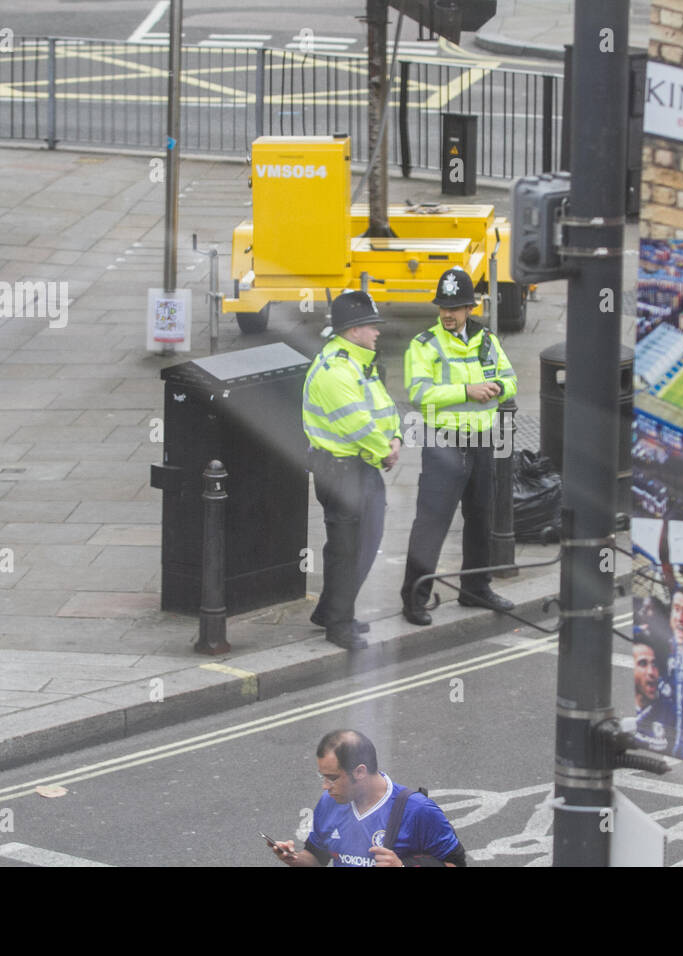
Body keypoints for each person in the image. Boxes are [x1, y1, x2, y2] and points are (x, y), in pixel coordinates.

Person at [399, 267, 517, 625]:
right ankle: (415, 598)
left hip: (481, 440)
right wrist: (467, 391)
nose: (448, 314)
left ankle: (475, 589)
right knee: (431, 522)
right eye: (443, 308)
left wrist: (496, 388)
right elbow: (419, 395)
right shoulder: (423, 346)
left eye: (456, 307)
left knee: (480, 518)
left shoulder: (487, 341)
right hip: (443, 442)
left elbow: (510, 381)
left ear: (471, 308)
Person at [302, 291, 402, 650]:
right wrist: (384, 453)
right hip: (341, 470)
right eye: (371, 326)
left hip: (361, 466)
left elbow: (384, 407)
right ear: (353, 329)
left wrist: (396, 436)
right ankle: (338, 624)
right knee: (346, 548)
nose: (377, 331)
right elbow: (357, 424)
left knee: (367, 541)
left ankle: (331, 609)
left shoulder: (361, 362)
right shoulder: (335, 371)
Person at [271, 729, 466, 867]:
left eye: (332, 778)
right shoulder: (329, 802)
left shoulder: (418, 810)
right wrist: (293, 858)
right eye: (322, 777)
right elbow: (317, 857)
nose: (325, 786)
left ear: (360, 772)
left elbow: (455, 863)